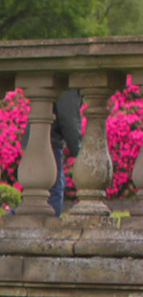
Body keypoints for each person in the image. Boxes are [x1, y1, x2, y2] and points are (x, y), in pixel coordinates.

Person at [50, 87, 83, 216]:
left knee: (42, 194)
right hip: (49, 142)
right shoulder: (68, 85)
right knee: (53, 192)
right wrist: (79, 151)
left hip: (45, 139)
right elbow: (69, 120)